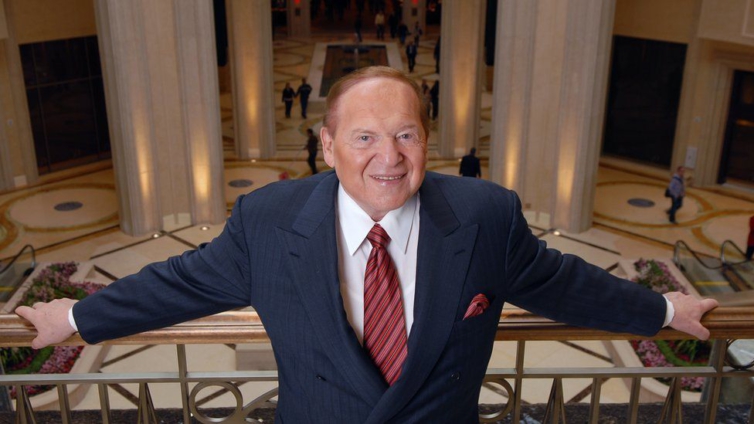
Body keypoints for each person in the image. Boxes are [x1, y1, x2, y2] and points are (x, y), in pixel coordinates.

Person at [17, 66, 717, 423]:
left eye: (405, 134)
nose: (389, 157)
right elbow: (179, 283)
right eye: (364, 137)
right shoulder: (267, 221)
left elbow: (562, 282)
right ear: (327, 147)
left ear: (426, 141)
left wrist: (662, 311)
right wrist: (71, 317)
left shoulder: (485, 215)